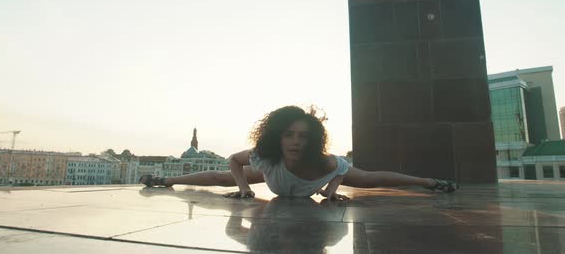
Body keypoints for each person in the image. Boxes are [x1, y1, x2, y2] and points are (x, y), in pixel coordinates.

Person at [139, 105, 458, 200]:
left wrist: (331, 190)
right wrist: (245, 189)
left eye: (303, 136)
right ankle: (164, 182)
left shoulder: (325, 162)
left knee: (370, 179)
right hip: (276, 177)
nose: (295, 141)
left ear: (312, 141)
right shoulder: (267, 158)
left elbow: (342, 170)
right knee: (223, 177)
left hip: (312, 180)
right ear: (278, 137)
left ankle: (431, 183)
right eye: (289, 134)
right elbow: (233, 162)